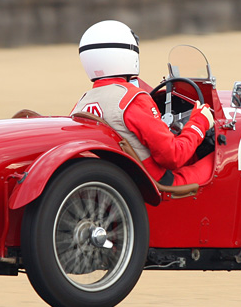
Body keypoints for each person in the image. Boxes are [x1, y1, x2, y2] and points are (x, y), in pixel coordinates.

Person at [72, 20, 214, 186]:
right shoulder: (133, 99)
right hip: (155, 183)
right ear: (127, 54)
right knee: (221, 162)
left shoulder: (81, 103)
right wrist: (199, 122)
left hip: (116, 180)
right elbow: (173, 156)